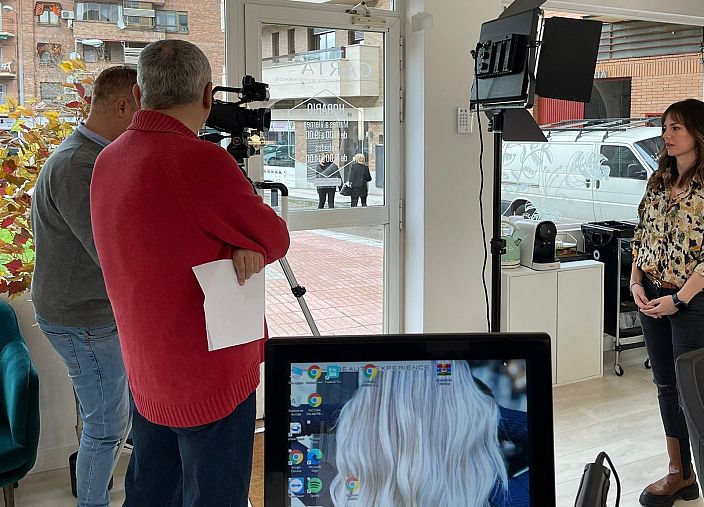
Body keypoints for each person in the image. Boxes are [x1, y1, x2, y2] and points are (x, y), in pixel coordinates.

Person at [90, 40, 290, 505]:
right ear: (207, 96)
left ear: (139, 95)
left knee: (152, 490)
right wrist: (244, 241)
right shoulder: (201, 161)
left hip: (147, 366)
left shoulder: (107, 160)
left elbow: (165, 240)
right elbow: (275, 238)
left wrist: (235, 242)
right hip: (208, 376)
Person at [30, 66, 138, 507]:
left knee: (115, 420)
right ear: (122, 105)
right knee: (107, 427)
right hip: (82, 318)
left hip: (88, 312)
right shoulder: (79, 164)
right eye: (143, 113)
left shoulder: (91, 157)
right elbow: (109, 251)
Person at [629, 98, 704, 507]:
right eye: (665, 127)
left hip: (692, 301)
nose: (667, 135)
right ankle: (679, 472)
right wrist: (636, 281)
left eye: (676, 127)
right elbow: (644, 235)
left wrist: (679, 298)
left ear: (699, 132)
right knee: (665, 386)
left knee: (693, 390)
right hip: (653, 295)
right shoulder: (658, 182)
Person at [327, 360, 527, 507]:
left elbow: (299, 416)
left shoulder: (342, 495)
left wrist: (359, 416)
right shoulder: (499, 499)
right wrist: (483, 417)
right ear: (466, 429)